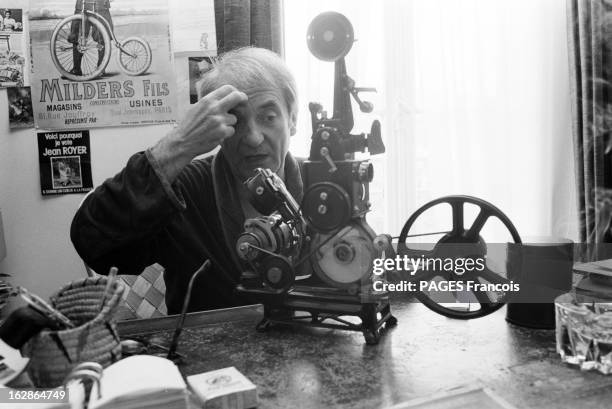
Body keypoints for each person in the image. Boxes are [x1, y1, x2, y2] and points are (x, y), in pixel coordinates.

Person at [71, 47, 300, 314]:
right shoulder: (185, 189)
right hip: (208, 351)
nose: (253, 138)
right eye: (235, 120)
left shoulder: (328, 188)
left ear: (292, 119)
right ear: (215, 126)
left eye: (268, 117)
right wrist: (180, 143)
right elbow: (93, 242)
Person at [68, 0, 113, 76]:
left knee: (102, 38)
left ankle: (100, 68)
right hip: (84, 6)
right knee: (78, 36)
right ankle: (77, 68)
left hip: (100, 6)